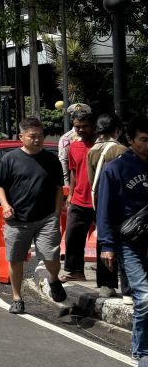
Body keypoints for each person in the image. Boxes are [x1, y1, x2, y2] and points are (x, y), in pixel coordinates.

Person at [0, 117, 67, 314]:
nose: (37, 140)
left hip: (46, 218)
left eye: (40, 136)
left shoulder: (51, 160)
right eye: (33, 136)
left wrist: (57, 212)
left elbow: (59, 188)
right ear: (21, 137)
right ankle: (17, 298)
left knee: (51, 256)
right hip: (17, 220)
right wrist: (5, 205)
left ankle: (53, 278)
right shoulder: (10, 159)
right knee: (15, 259)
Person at [95, 116, 148, 367]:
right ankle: (143, 352)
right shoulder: (116, 169)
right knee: (145, 297)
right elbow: (105, 209)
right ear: (131, 140)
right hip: (130, 244)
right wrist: (107, 245)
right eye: (144, 140)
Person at [88, 114, 131, 302]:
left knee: (104, 241)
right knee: (125, 243)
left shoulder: (92, 151)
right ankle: (128, 288)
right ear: (118, 130)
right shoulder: (121, 149)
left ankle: (106, 285)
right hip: (120, 202)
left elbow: (91, 181)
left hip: (99, 199)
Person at [63, 108, 103, 285]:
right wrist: (71, 194)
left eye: (84, 126)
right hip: (79, 199)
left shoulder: (103, 147)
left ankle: (107, 277)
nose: (80, 130)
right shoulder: (73, 146)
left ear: (94, 126)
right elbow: (73, 171)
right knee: (73, 237)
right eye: (76, 127)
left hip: (101, 200)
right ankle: (76, 271)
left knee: (105, 239)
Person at [57, 103, 92, 178]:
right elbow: (63, 162)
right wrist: (67, 184)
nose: (81, 129)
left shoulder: (94, 137)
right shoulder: (66, 138)